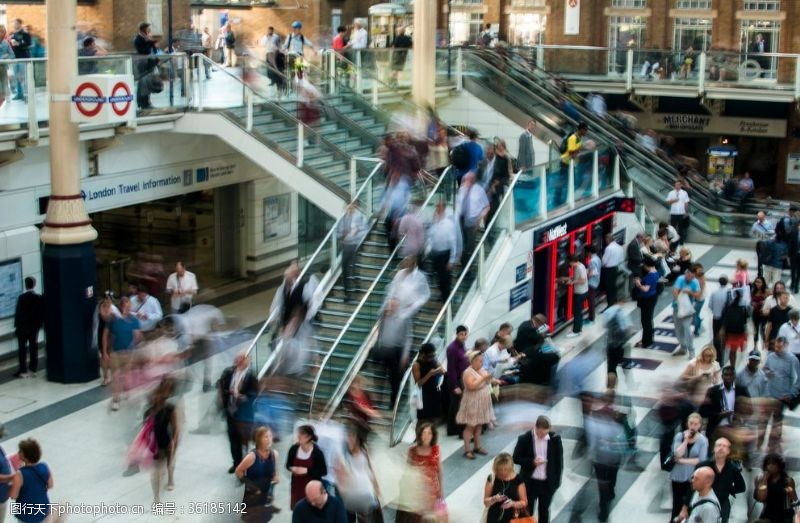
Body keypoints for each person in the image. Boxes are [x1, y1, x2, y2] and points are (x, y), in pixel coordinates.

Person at [375, 256, 430, 407]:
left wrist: (405, 355)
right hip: (385, 349)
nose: (391, 306)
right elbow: (380, 331)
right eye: (390, 304)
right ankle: (379, 399)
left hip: (397, 350)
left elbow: (408, 338)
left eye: (393, 304)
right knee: (380, 375)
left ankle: (394, 402)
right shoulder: (384, 316)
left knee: (394, 378)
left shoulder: (404, 319)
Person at [676, 438, 744, 523]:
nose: (721, 448)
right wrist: (684, 508)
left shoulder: (733, 469)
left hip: (722, 504)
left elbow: (742, 487)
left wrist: (728, 489)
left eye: (724, 446)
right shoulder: (702, 466)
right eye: (719, 445)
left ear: (728, 451)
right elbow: (692, 487)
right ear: (714, 448)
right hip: (702, 502)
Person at [512, 416, 563, 523]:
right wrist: (532, 462)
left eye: (546, 433)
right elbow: (515, 458)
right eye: (541, 433)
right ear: (536, 428)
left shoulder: (555, 440)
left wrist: (556, 483)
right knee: (526, 512)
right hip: (529, 483)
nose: (543, 435)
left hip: (546, 484)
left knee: (544, 512)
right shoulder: (525, 439)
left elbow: (559, 463)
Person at [218, 351, 258, 473]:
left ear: (248, 361)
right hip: (231, 411)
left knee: (243, 440)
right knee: (232, 438)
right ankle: (236, 463)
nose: (239, 361)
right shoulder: (229, 372)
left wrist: (243, 397)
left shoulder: (251, 376)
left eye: (242, 358)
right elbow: (221, 385)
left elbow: (255, 394)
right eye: (238, 358)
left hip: (243, 414)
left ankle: (244, 466)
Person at [397, 422, 444, 522]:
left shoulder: (436, 450)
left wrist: (441, 490)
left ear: (433, 436)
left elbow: (439, 471)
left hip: (432, 493)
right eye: (424, 433)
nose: (426, 436)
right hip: (416, 493)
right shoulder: (412, 451)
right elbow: (407, 471)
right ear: (420, 435)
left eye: (429, 433)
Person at [335, 425, 382, 522]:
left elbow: (371, 470)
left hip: (364, 492)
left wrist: (376, 488)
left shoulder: (364, 450)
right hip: (349, 494)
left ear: (357, 439)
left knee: (365, 518)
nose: (350, 440)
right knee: (349, 518)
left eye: (352, 437)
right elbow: (339, 473)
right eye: (348, 437)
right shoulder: (343, 453)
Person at [669, 412, 709, 522]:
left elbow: (700, 460)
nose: (693, 426)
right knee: (676, 504)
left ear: (700, 425)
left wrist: (681, 460)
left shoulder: (703, 440)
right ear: (687, 424)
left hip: (693, 477)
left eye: (696, 424)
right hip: (678, 475)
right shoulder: (680, 436)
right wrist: (686, 441)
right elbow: (677, 453)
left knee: (689, 504)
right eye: (691, 423)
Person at [763, 336, 800, 452]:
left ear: (786, 346)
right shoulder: (770, 357)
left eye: (780, 347)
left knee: (776, 422)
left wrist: (791, 394)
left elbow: (798, 379)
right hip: (769, 395)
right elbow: (765, 369)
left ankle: (773, 445)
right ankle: (762, 442)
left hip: (781, 397)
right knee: (764, 421)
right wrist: (767, 372)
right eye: (776, 347)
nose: (777, 349)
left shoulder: (793, 360)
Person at [456, 350, 495, 460]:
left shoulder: (482, 369)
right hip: (472, 401)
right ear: (472, 361)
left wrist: (493, 379)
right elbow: (471, 387)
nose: (481, 363)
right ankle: (467, 449)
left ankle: (477, 446)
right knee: (470, 426)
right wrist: (483, 379)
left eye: (482, 361)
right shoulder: (468, 372)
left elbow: (487, 379)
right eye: (478, 361)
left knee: (479, 425)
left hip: (482, 400)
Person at [105, 296, 142, 410]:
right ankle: (116, 399)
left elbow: (137, 336)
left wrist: (132, 347)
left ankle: (127, 392)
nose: (127, 308)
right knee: (115, 376)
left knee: (127, 376)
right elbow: (107, 335)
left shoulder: (134, 320)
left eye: (129, 306)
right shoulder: (114, 320)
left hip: (129, 353)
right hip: (115, 352)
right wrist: (106, 351)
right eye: (125, 306)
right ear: (121, 306)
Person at [147, 377, 180, 503]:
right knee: (156, 470)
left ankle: (171, 478)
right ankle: (156, 498)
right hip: (155, 442)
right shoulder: (151, 407)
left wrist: (174, 442)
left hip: (166, 440)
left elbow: (175, 428)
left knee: (169, 463)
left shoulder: (170, 407)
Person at [236, 426, 279, 521]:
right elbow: (238, 471)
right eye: (266, 437)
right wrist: (252, 487)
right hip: (252, 496)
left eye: (270, 436)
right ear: (259, 439)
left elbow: (275, 470)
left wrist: (276, 476)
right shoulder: (252, 456)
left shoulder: (274, 454)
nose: (269, 439)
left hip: (266, 494)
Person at [699, 366, 751, 445]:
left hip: (735, 429)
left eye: (731, 375)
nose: (728, 377)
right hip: (716, 428)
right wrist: (718, 414)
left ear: (734, 377)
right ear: (722, 376)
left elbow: (750, 409)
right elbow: (702, 411)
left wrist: (739, 417)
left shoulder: (742, 390)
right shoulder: (713, 391)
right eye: (726, 375)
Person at [9, 439, 52, 523]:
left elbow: (13, 495)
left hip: (26, 514)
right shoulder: (44, 466)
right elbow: (50, 485)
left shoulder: (20, 474)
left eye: (20, 451)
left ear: (24, 455)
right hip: (43, 508)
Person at [286, 425, 327, 510]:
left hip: (312, 491)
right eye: (298, 433)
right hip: (296, 488)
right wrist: (292, 469)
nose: (298, 436)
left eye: (301, 434)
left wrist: (306, 471)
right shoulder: (294, 449)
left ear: (309, 437)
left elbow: (323, 471)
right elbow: (288, 465)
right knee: (297, 511)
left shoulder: (317, 453)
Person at [428, 199, 460, 302]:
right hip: (435, 253)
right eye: (436, 207)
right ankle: (442, 294)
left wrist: (451, 260)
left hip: (445, 254)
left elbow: (453, 242)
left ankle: (446, 298)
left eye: (439, 207)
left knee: (445, 278)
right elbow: (430, 236)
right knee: (439, 276)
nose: (437, 209)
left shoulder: (448, 224)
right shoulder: (435, 223)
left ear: (443, 208)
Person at [483, 453, 528, 523]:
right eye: (500, 469)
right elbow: (486, 502)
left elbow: (524, 502)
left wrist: (512, 503)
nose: (503, 472)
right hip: (494, 517)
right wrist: (494, 499)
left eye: (506, 469)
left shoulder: (518, 479)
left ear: (511, 468)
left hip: (513, 517)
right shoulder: (492, 478)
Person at [337, 202, 368, 303]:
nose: (349, 209)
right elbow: (337, 233)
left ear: (354, 208)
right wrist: (342, 235)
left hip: (354, 246)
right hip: (345, 247)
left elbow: (364, 230)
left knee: (354, 268)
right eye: (348, 207)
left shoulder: (358, 217)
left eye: (351, 207)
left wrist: (354, 235)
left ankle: (357, 285)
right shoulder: (342, 218)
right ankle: (347, 293)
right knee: (345, 269)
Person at [457, 172, 490, 267]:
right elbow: (458, 204)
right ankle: (463, 263)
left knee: (470, 246)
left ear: (473, 180)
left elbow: (487, 206)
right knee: (462, 243)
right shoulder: (462, 189)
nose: (466, 182)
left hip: (473, 220)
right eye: (465, 179)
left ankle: (468, 267)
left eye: (469, 180)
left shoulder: (479, 190)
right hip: (461, 219)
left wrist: (479, 218)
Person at [13, 276, 43, 379]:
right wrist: (38, 326)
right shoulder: (38, 298)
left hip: (22, 329)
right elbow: (40, 314)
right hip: (34, 328)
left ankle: (23, 370)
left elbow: (18, 314)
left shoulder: (22, 298)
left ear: (25, 285)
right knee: (33, 347)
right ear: (34, 285)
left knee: (22, 349)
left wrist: (17, 327)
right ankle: (33, 369)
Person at [755, 453, 797, 523]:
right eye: (768, 464)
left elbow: (793, 500)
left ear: (779, 466)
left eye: (773, 464)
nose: (770, 466)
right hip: (768, 514)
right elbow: (761, 498)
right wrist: (764, 480)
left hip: (784, 514)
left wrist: (789, 491)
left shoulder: (787, 480)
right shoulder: (762, 480)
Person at [673, 267, 702, 358]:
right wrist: (679, 301)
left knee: (687, 329)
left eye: (691, 277)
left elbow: (698, 295)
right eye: (688, 276)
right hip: (677, 307)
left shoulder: (695, 282)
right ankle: (683, 347)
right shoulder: (680, 279)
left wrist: (690, 292)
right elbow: (675, 291)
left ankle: (691, 350)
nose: (689, 278)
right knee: (678, 329)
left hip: (688, 309)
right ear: (686, 273)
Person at [412, 343, 445, 424]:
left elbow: (443, 371)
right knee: (421, 420)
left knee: (433, 419)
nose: (431, 358)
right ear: (423, 354)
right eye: (429, 356)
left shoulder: (434, 360)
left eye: (433, 355)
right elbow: (418, 384)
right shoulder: (416, 365)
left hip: (434, 392)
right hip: (423, 395)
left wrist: (440, 370)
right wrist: (429, 374)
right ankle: (419, 436)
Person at [445, 325, 469, 436]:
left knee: (458, 405)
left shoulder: (462, 346)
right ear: (457, 334)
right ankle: (453, 429)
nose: (463, 336)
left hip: (462, 379)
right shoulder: (452, 348)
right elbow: (451, 369)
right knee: (455, 406)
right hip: (456, 380)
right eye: (461, 334)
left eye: (465, 334)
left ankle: (456, 429)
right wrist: (455, 386)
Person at [634, 259, 660, 349]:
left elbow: (646, 289)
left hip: (647, 299)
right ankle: (647, 339)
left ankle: (646, 341)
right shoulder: (656, 272)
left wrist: (638, 284)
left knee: (645, 321)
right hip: (652, 297)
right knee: (648, 320)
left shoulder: (650, 276)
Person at [721, 287, 749, 369]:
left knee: (732, 351)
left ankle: (732, 366)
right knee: (737, 350)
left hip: (730, 332)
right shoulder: (744, 306)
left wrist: (723, 329)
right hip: (739, 332)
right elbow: (746, 321)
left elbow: (725, 319)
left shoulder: (729, 305)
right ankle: (734, 366)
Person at [566, 254, 589, 338]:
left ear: (572, 261)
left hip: (580, 293)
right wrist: (572, 279)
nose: (569, 265)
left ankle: (576, 331)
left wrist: (572, 282)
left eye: (569, 263)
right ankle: (578, 329)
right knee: (578, 312)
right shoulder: (581, 265)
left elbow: (582, 280)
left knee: (577, 312)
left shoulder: (579, 268)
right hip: (582, 292)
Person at [9, 19, 31, 102]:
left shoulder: (25, 34)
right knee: (17, 77)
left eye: (16, 23)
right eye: (14, 23)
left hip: (23, 58)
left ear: (20, 24)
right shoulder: (14, 34)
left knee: (23, 77)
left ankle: (26, 95)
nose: (14, 24)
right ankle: (19, 94)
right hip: (15, 58)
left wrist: (18, 44)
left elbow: (28, 43)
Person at [601, 233, 624, 306]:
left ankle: (610, 304)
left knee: (609, 288)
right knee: (613, 286)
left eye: (605, 239)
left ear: (608, 239)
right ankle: (614, 301)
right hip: (616, 268)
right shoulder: (619, 247)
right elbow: (621, 258)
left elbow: (604, 261)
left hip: (608, 270)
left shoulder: (609, 248)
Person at [752, 211, 776, 277]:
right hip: (759, 242)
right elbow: (753, 232)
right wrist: (757, 235)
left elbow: (773, 233)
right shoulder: (755, 224)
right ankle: (760, 272)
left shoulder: (769, 224)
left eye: (761, 218)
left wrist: (767, 235)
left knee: (766, 258)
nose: (759, 219)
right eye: (758, 217)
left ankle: (769, 272)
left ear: (764, 217)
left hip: (766, 243)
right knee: (759, 257)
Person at [666, 180, 690, 245]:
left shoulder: (684, 193)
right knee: (672, 228)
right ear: (675, 185)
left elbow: (686, 203)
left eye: (679, 184)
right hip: (673, 213)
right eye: (676, 185)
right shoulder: (671, 193)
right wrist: (674, 200)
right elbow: (667, 202)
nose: (677, 186)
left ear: (681, 185)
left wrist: (686, 212)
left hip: (681, 213)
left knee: (681, 228)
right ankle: (672, 241)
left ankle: (681, 242)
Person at [752, 276, 769, 350]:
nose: (757, 284)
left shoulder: (766, 291)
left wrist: (764, 302)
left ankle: (764, 344)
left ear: (763, 283)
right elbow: (751, 300)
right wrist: (752, 303)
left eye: (759, 282)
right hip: (755, 313)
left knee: (763, 329)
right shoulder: (753, 290)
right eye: (756, 282)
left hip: (763, 314)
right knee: (755, 330)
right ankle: (755, 346)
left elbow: (770, 300)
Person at [586, 245, 602, 323]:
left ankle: (591, 317)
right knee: (591, 300)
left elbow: (592, 272)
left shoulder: (592, 260)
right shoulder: (598, 258)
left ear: (589, 252)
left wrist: (586, 276)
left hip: (591, 283)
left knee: (591, 301)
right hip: (596, 281)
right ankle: (591, 316)